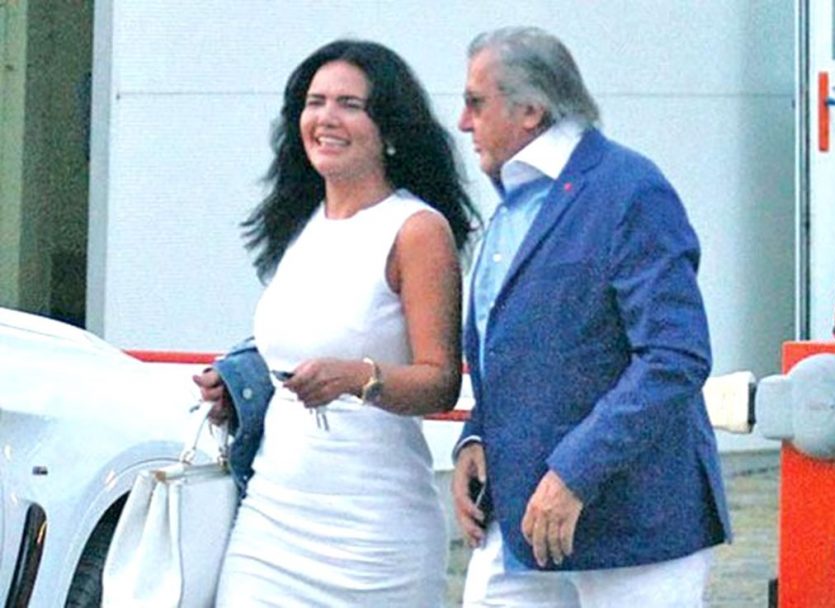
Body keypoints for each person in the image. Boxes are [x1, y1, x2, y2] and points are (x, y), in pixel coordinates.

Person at [450, 27, 731, 607]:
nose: (462, 122)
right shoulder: (513, 204)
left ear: (530, 111)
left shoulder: (629, 191)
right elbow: (521, 349)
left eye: (476, 103)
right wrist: (476, 434)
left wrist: (576, 471)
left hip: (636, 528)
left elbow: (674, 357)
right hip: (520, 523)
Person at [193, 39, 477, 606]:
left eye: (350, 104)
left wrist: (357, 378)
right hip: (270, 521)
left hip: (373, 537)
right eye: (314, 102)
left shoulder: (417, 230)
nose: (326, 117)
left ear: (389, 129)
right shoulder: (301, 222)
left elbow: (441, 382)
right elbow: (287, 352)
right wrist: (236, 386)